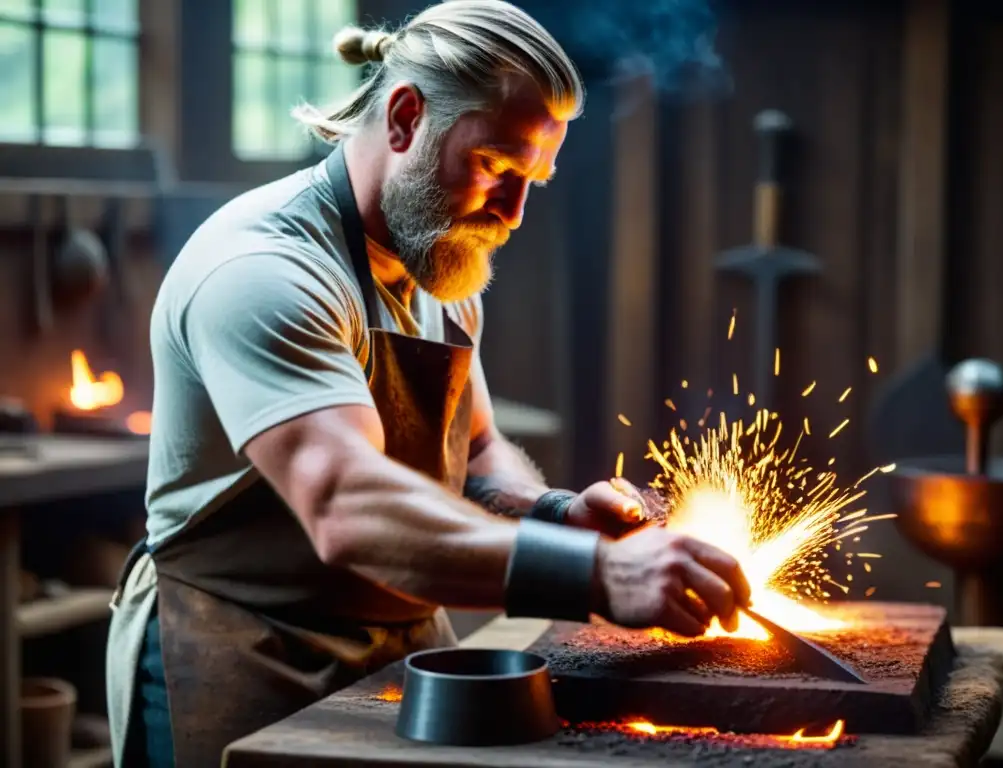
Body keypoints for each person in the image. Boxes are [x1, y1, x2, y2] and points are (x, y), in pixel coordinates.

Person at [105, 2, 752, 765]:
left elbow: (474, 452)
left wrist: (558, 516)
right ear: (407, 117)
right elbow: (346, 503)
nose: (511, 213)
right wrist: (599, 574)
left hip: (396, 650)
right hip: (238, 647)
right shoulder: (263, 271)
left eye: (532, 181)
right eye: (495, 168)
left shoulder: (438, 263)